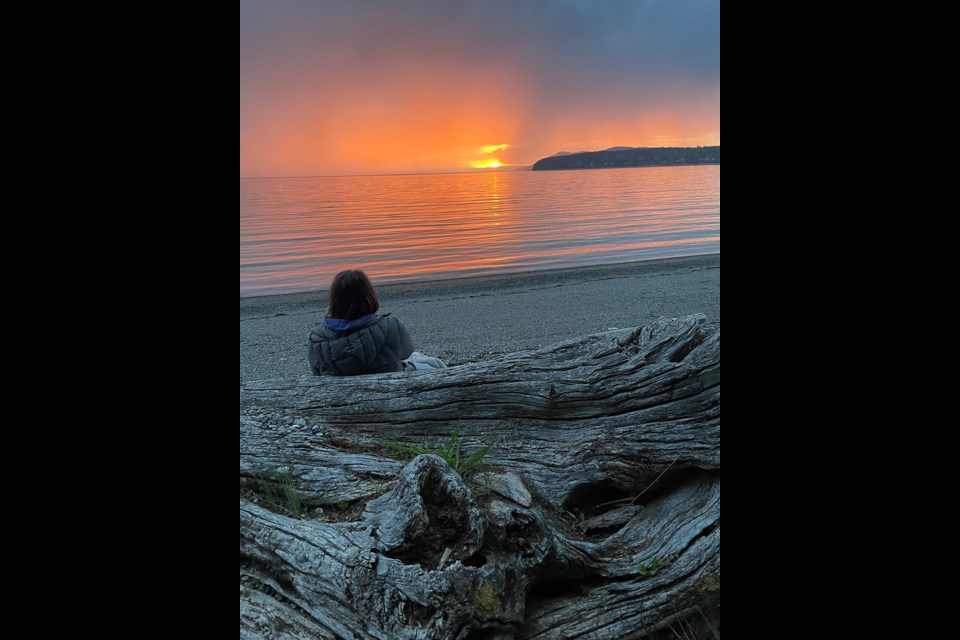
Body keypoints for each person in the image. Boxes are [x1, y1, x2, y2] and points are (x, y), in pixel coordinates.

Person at [308, 269, 447, 376]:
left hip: (341, 401)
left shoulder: (316, 338)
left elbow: (317, 372)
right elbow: (406, 352)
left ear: (334, 300)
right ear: (369, 296)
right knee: (430, 362)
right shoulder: (391, 326)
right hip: (391, 394)